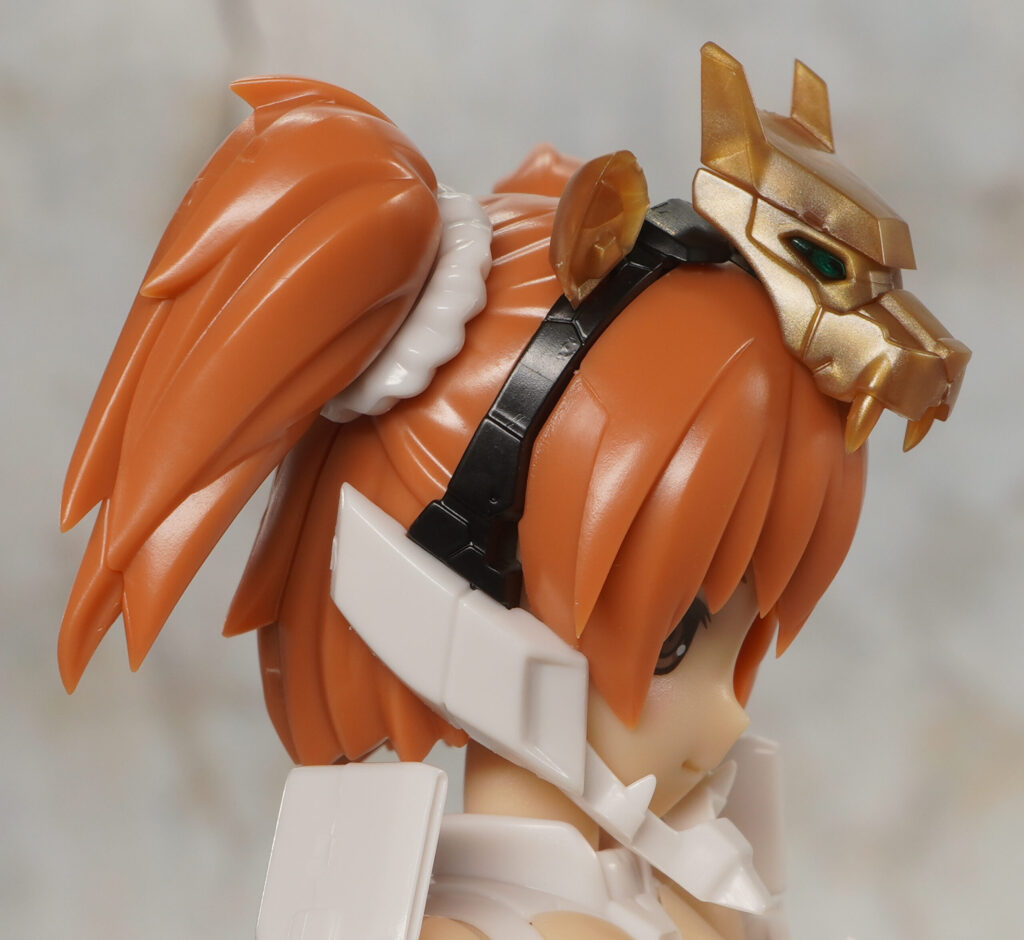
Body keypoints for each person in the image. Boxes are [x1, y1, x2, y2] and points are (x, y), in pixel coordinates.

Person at [59, 44, 968, 939]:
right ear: (454, 598)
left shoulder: (699, 894)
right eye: (675, 645)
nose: (729, 716)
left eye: (739, 646)